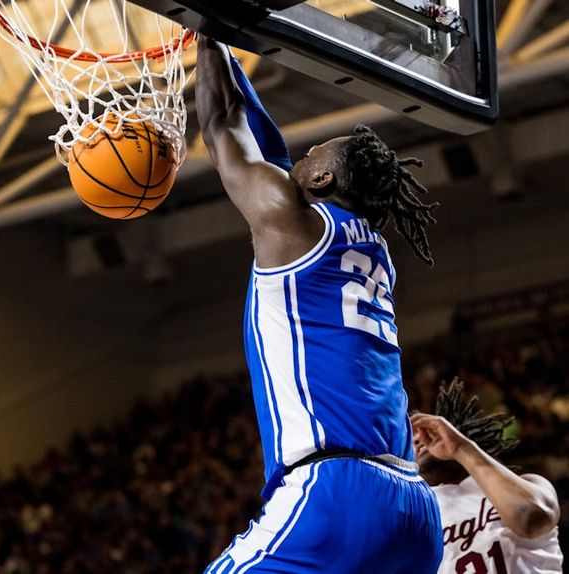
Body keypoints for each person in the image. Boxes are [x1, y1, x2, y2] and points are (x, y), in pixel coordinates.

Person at [196, 35, 443, 573]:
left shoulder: (293, 222)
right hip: (415, 507)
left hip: (338, 490)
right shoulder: (370, 250)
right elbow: (274, 155)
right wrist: (229, 55)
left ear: (324, 178)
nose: (299, 160)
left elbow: (222, 128)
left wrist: (206, 30)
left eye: (312, 156)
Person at [413, 378, 563, 573]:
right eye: (410, 437)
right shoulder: (414, 520)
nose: (418, 438)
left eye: (427, 432)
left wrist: (460, 447)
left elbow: (530, 517)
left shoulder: (526, 484)